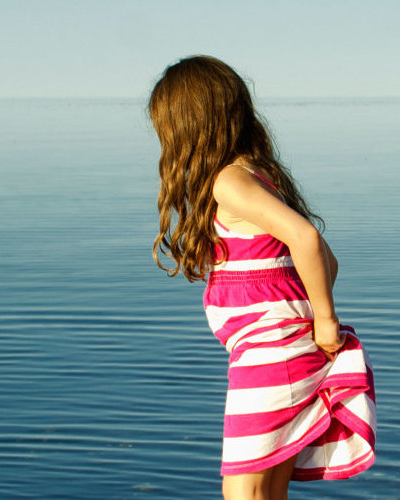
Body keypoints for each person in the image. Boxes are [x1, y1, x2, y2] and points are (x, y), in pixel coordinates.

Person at [148, 55, 375, 500]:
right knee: (267, 492)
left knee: (244, 491)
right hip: (283, 352)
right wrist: (310, 320)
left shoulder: (229, 182)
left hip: (271, 358)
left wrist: (324, 321)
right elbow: (327, 259)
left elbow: (307, 237)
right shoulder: (257, 175)